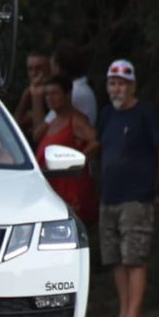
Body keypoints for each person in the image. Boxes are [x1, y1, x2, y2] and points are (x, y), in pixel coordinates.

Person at [91, 59, 159, 317]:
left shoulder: (144, 113)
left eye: (122, 84)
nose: (117, 89)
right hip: (110, 195)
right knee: (114, 257)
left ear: (132, 86)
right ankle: (122, 313)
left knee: (134, 256)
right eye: (112, 83)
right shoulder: (106, 115)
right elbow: (100, 146)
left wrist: (152, 183)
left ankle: (132, 316)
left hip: (136, 196)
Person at [33, 74, 99, 223]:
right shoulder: (53, 121)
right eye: (47, 94)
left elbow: (96, 141)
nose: (50, 98)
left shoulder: (75, 120)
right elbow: (35, 135)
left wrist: (75, 162)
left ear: (68, 94)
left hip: (71, 195)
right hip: (53, 194)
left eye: (54, 93)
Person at [51, 40, 97, 127]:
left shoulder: (74, 92)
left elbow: (40, 133)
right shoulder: (82, 89)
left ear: (57, 68)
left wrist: (35, 95)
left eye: (52, 67)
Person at [13, 51, 51, 138]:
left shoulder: (56, 95)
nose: (34, 73)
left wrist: (36, 95)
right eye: (30, 69)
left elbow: (39, 136)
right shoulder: (29, 91)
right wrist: (27, 93)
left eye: (39, 68)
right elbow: (16, 125)